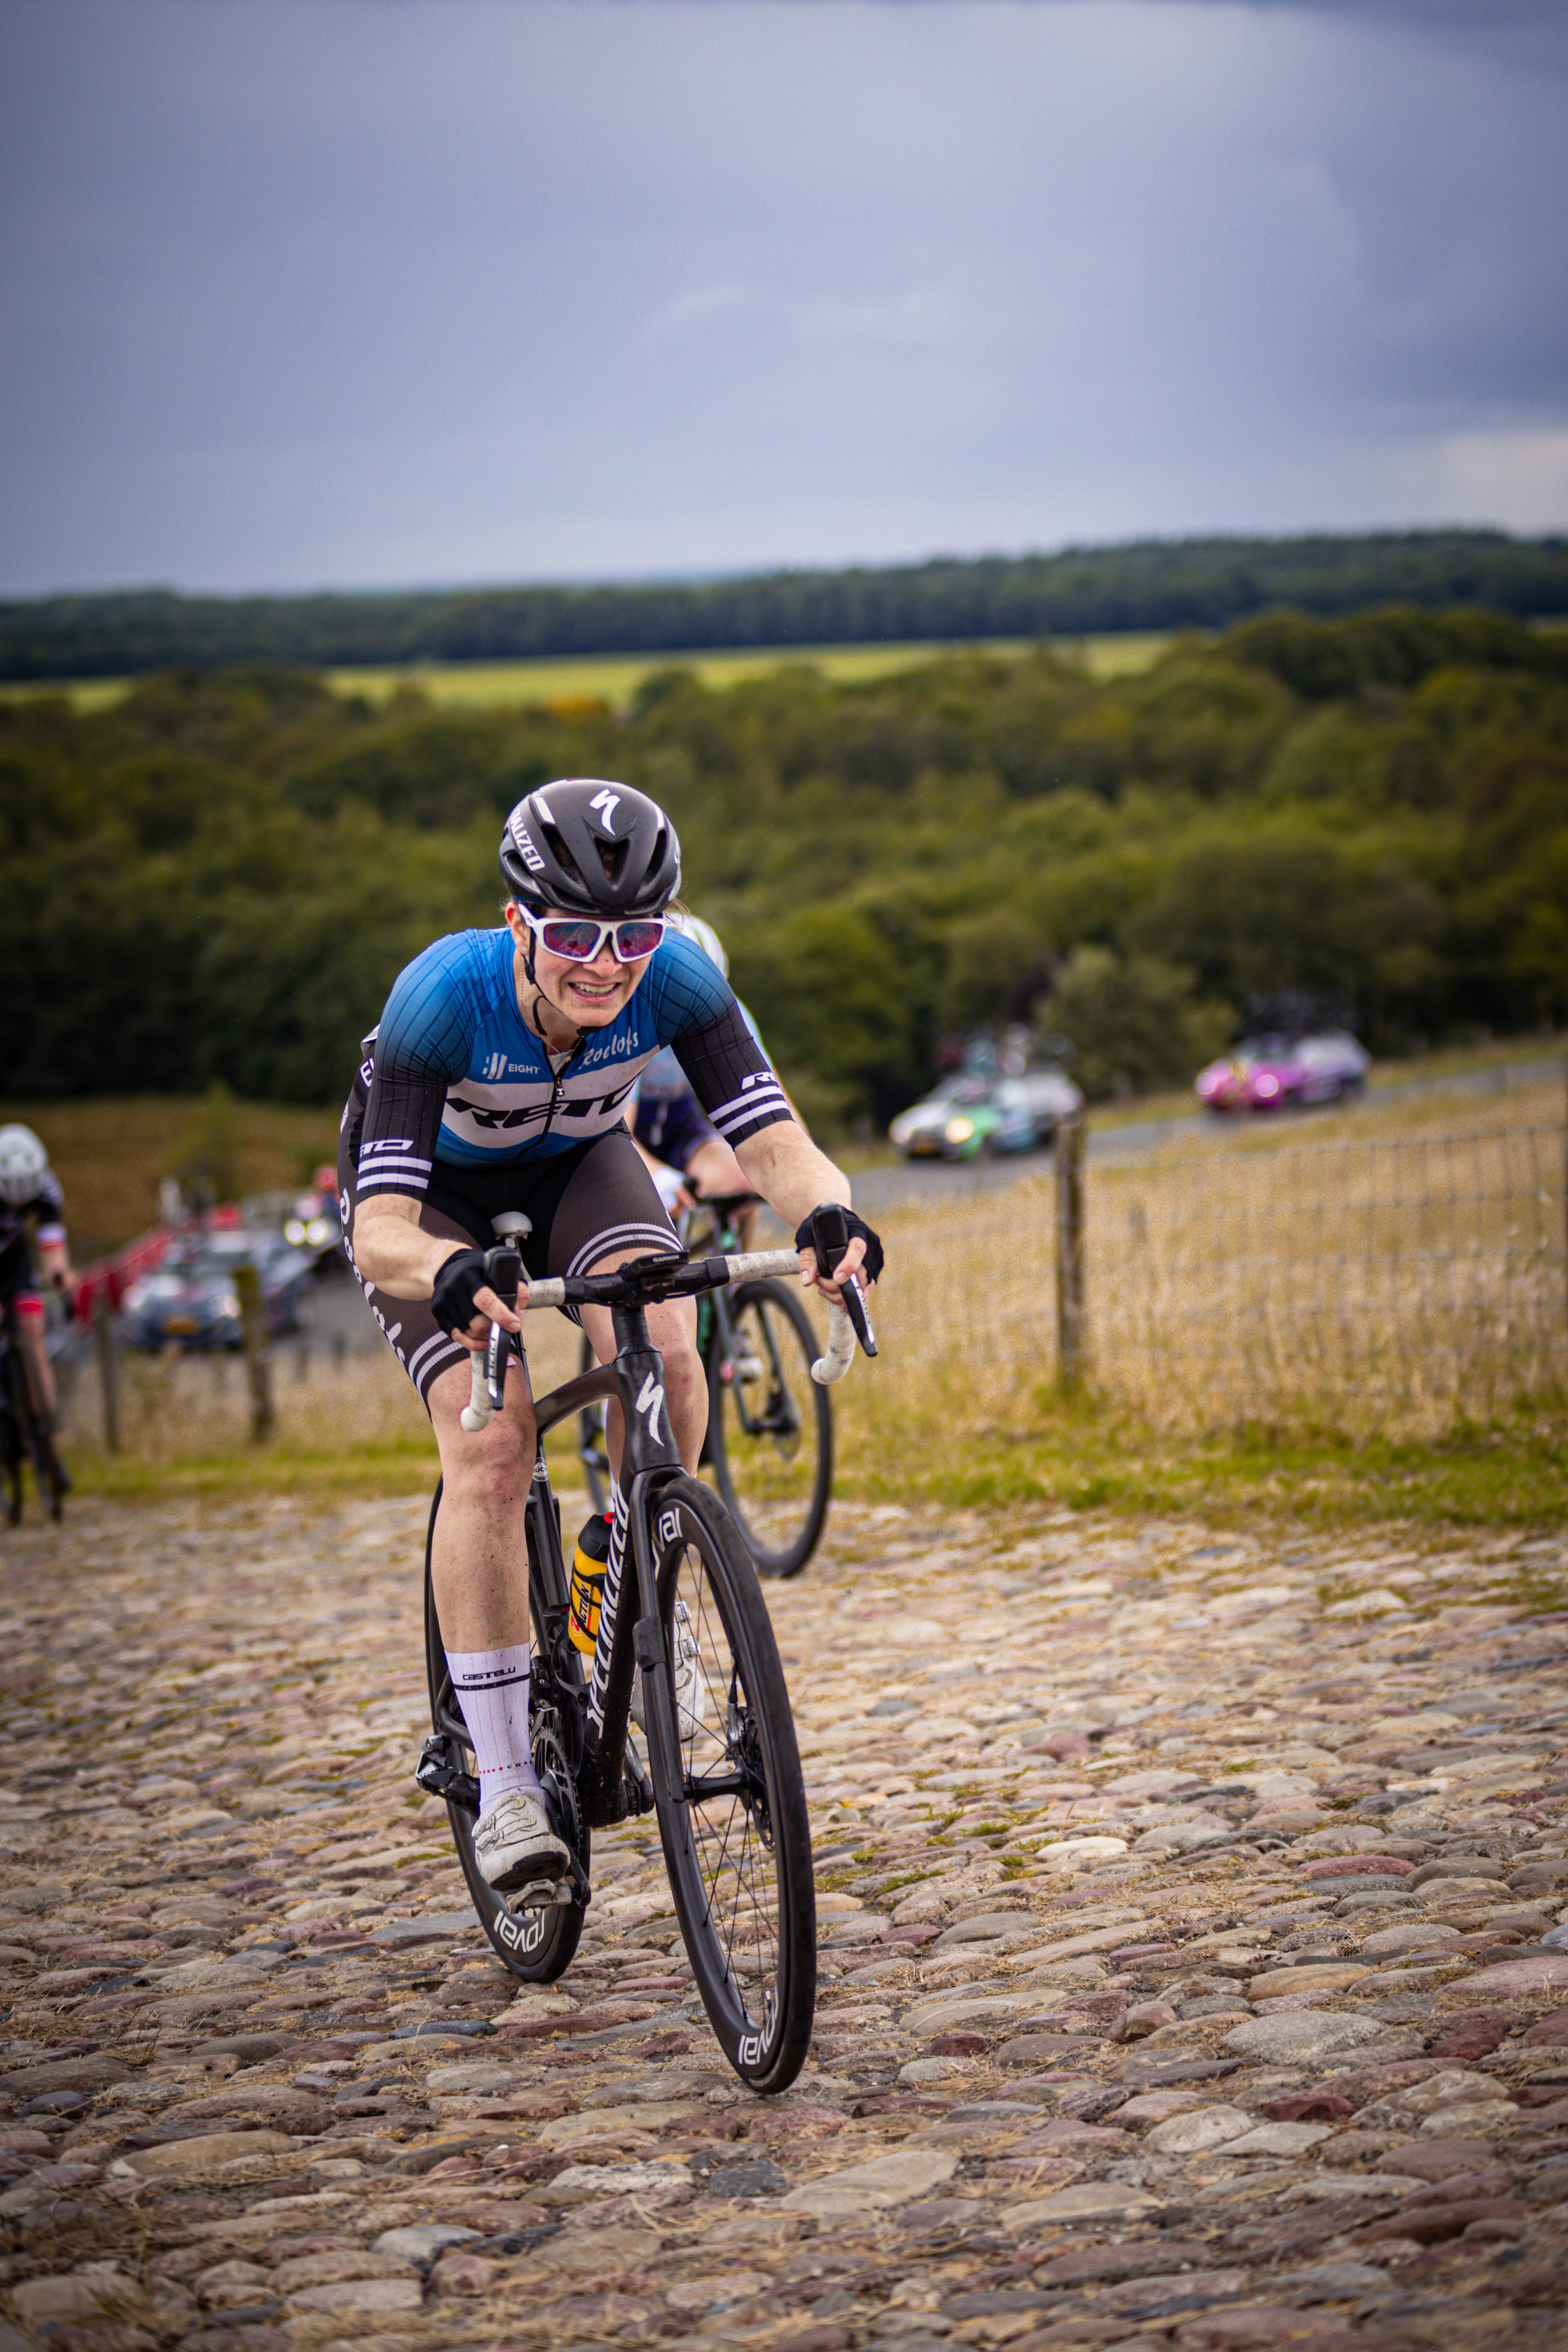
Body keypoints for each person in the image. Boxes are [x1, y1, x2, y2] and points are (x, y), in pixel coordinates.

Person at [341, 778, 883, 1893]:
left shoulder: (679, 979)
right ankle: (503, 1784)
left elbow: (776, 1142)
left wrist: (828, 1213)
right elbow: (379, 1224)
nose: (606, 962)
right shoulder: (441, 998)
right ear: (517, 925)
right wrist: (445, 1269)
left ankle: (638, 1560)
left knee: (670, 1347)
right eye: (574, 935)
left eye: (633, 934)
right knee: (490, 1447)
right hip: (430, 1205)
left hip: (585, 1166)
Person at [0, 1124, 73, 1427]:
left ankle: (45, 1419)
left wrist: (60, 1276)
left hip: (16, 1260)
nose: (18, 1204)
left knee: (34, 1329)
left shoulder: (46, 1187)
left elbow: (52, 1242)